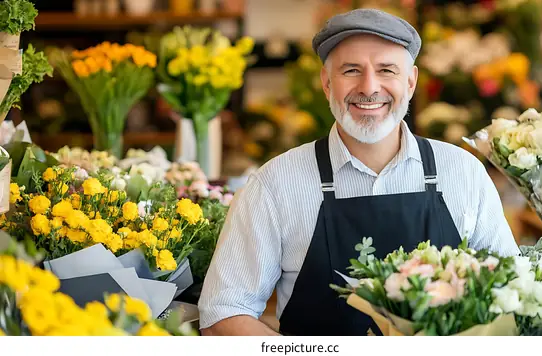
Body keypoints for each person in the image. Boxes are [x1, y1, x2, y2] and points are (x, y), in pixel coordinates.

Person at [197, 8, 520, 336]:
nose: (369, 87)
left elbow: (515, 290)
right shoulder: (275, 184)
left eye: (386, 70)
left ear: (410, 82)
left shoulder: (463, 172)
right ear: (326, 83)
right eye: (351, 70)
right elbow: (222, 311)